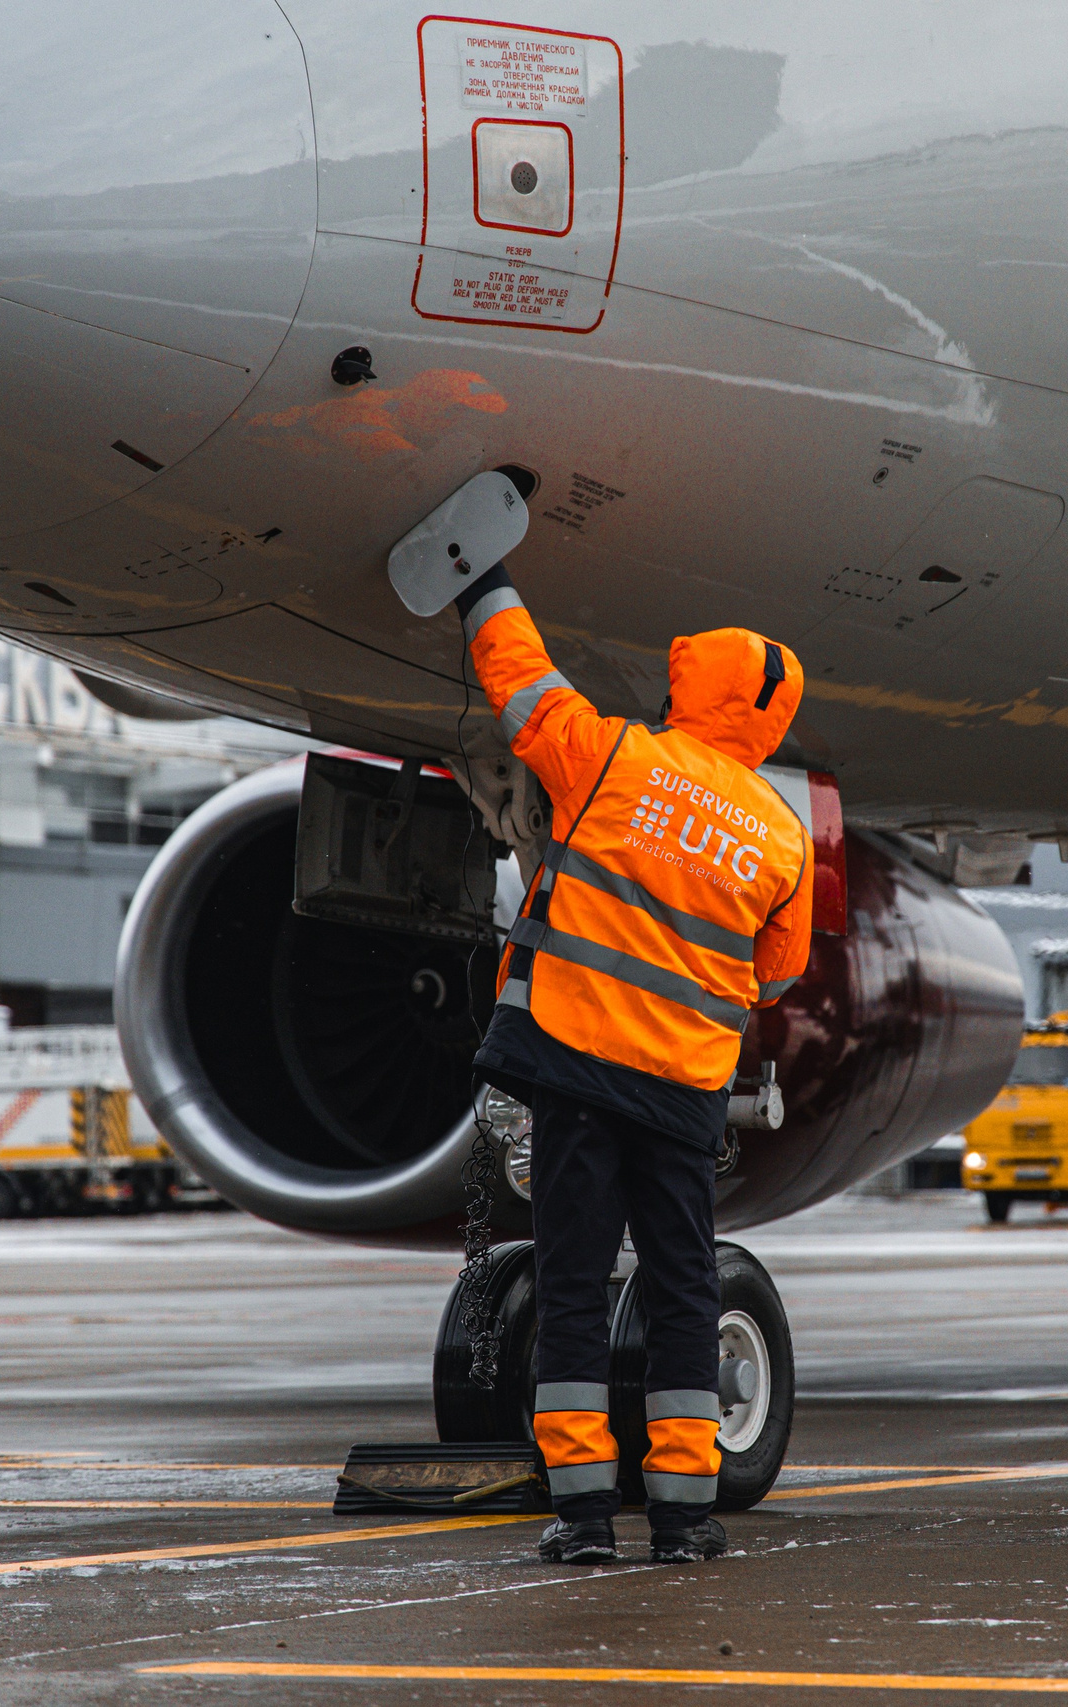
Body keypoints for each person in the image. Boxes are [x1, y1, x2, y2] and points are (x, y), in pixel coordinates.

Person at [449, 560, 812, 1566]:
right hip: (685, 1098)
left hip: (579, 1076)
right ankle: (686, 1518)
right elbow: (777, 977)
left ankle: (583, 1518)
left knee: (572, 1287)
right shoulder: (780, 839)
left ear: (684, 692)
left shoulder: (617, 760)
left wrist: (482, 584)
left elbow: (523, 688)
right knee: (684, 1290)